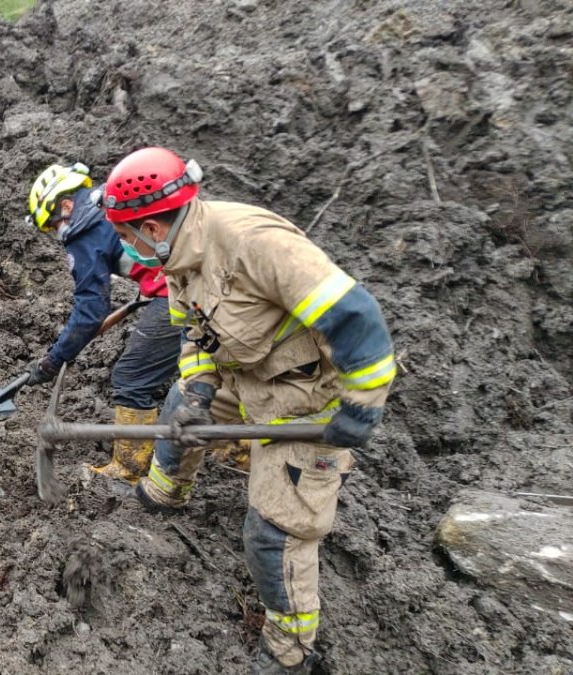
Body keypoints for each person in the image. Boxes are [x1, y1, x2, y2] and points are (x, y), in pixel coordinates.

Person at [100, 148, 395, 673]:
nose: (127, 248)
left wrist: (360, 406)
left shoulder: (254, 244)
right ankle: (166, 493)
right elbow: (193, 334)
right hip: (246, 375)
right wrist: (196, 388)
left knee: (273, 533)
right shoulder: (177, 259)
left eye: (126, 237)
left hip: (307, 397)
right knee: (177, 411)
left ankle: (288, 651)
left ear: (150, 225)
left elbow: (356, 317)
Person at [24, 163, 181, 483]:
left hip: (176, 292)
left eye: (54, 224)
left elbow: (90, 311)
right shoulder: (108, 199)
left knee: (132, 377)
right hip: (191, 280)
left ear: (66, 205)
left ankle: (127, 472)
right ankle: (237, 450)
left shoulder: (82, 228)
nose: (58, 233)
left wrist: (54, 359)